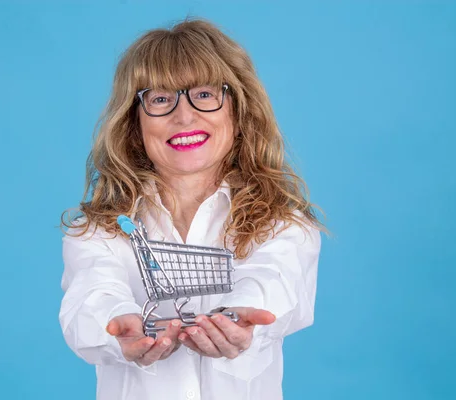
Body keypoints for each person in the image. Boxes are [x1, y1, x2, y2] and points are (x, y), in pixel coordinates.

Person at [59, 18, 327, 400]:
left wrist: (242, 314)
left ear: (239, 111)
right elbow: (94, 291)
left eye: (204, 94)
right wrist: (118, 324)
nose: (183, 116)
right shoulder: (99, 229)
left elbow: (275, 276)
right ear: (135, 122)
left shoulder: (284, 223)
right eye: (160, 99)